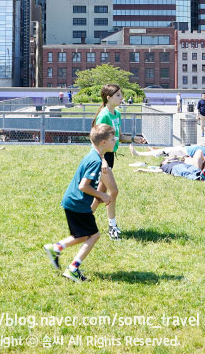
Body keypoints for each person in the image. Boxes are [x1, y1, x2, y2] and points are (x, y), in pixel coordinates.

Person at [42, 123, 114, 283]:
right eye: (112, 139)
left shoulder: (93, 154)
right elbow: (83, 186)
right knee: (94, 235)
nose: (115, 141)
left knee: (83, 235)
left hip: (72, 201)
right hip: (78, 203)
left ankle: (56, 248)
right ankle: (73, 269)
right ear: (103, 142)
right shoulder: (95, 161)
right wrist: (102, 195)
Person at [92, 84, 146, 239]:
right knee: (113, 191)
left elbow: (119, 137)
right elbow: (95, 142)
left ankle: (82, 223)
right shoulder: (104, 116)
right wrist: (102, 160)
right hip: (102, 157)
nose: (122, 98)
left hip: (110, 157)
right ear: (109, 98)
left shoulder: (117, 114)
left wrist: (133, 138)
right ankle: (112, 227)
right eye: (118, 95)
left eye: (121, 95)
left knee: (100, 194)